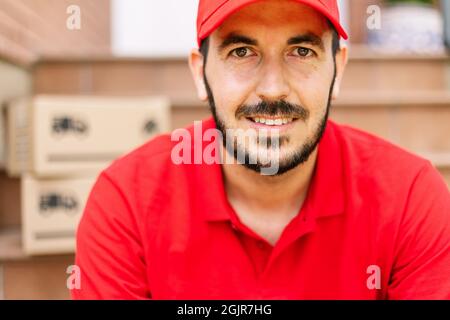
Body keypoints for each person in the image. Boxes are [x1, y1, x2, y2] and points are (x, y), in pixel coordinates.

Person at [72, 0, 450, 299]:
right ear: (199, 72)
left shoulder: (411, 198)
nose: (272, 89)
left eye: (301, 51)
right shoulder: (126, 203)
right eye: (241, 52)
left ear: (338, 70)